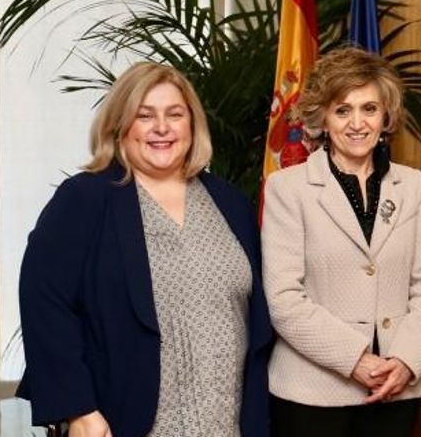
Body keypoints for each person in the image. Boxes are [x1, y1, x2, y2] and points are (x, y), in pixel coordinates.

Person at [17, 62, 273, 437]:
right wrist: (78, 409)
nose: (162, 128)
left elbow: (258, 317)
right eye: (145, 116)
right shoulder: (85, 199)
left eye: (175, 114)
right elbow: (44, 303)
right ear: (120, 126)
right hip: (125, 421)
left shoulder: (230, 202)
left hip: (227, 421)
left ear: (192, 124)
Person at [262, 47, 421, 437]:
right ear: (323, 119)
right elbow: (284, 298)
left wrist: (407, 360)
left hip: (396, 388)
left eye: (369, 109)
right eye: (343, 110)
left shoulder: (412, 186)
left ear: (386, 117)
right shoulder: (288, 188)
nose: (357, 123)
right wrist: (356, 359)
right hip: (312, 394)